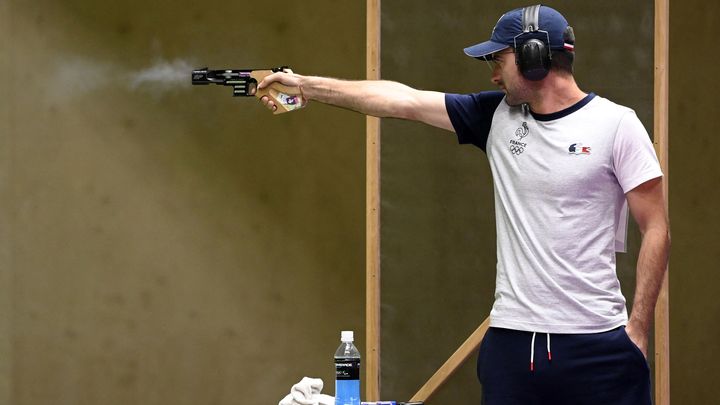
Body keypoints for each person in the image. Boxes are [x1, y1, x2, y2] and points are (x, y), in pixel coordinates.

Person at [258, 5, 670, 405]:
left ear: (533, 57)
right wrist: (306, 85)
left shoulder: (617, 124)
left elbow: (656, 228)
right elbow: (402, 100)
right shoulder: (495, 116)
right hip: (511, 345)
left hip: (598, 343)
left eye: (499, 60)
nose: (493, 75)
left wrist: (638, 331)